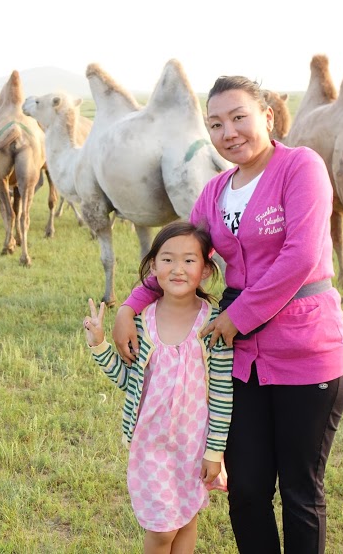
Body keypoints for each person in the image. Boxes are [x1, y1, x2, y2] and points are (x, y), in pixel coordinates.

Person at [111, 76, 343, 554]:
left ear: (268, 116)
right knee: (245, 491)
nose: (228, 132)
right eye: (215, 123)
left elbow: (301, 256)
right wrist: (131, 304)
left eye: (239, 117)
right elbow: (181, 255)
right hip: (241, 362)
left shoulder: (300, 167)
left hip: (308, 353)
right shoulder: (216, 191)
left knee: (301, 494)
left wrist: (237, 316)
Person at [84, 221, 234, 554]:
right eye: (167, 259)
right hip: (151, 446)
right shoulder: (143, 321)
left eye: (189, 261)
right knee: (161, 530)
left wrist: (214, 451)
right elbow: (129, 381)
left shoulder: (215, 323)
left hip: (193, 447)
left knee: (186, 519)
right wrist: (99, 346)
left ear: (206, 270)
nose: (177, 269)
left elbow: (223, 396)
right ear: (153, 267)